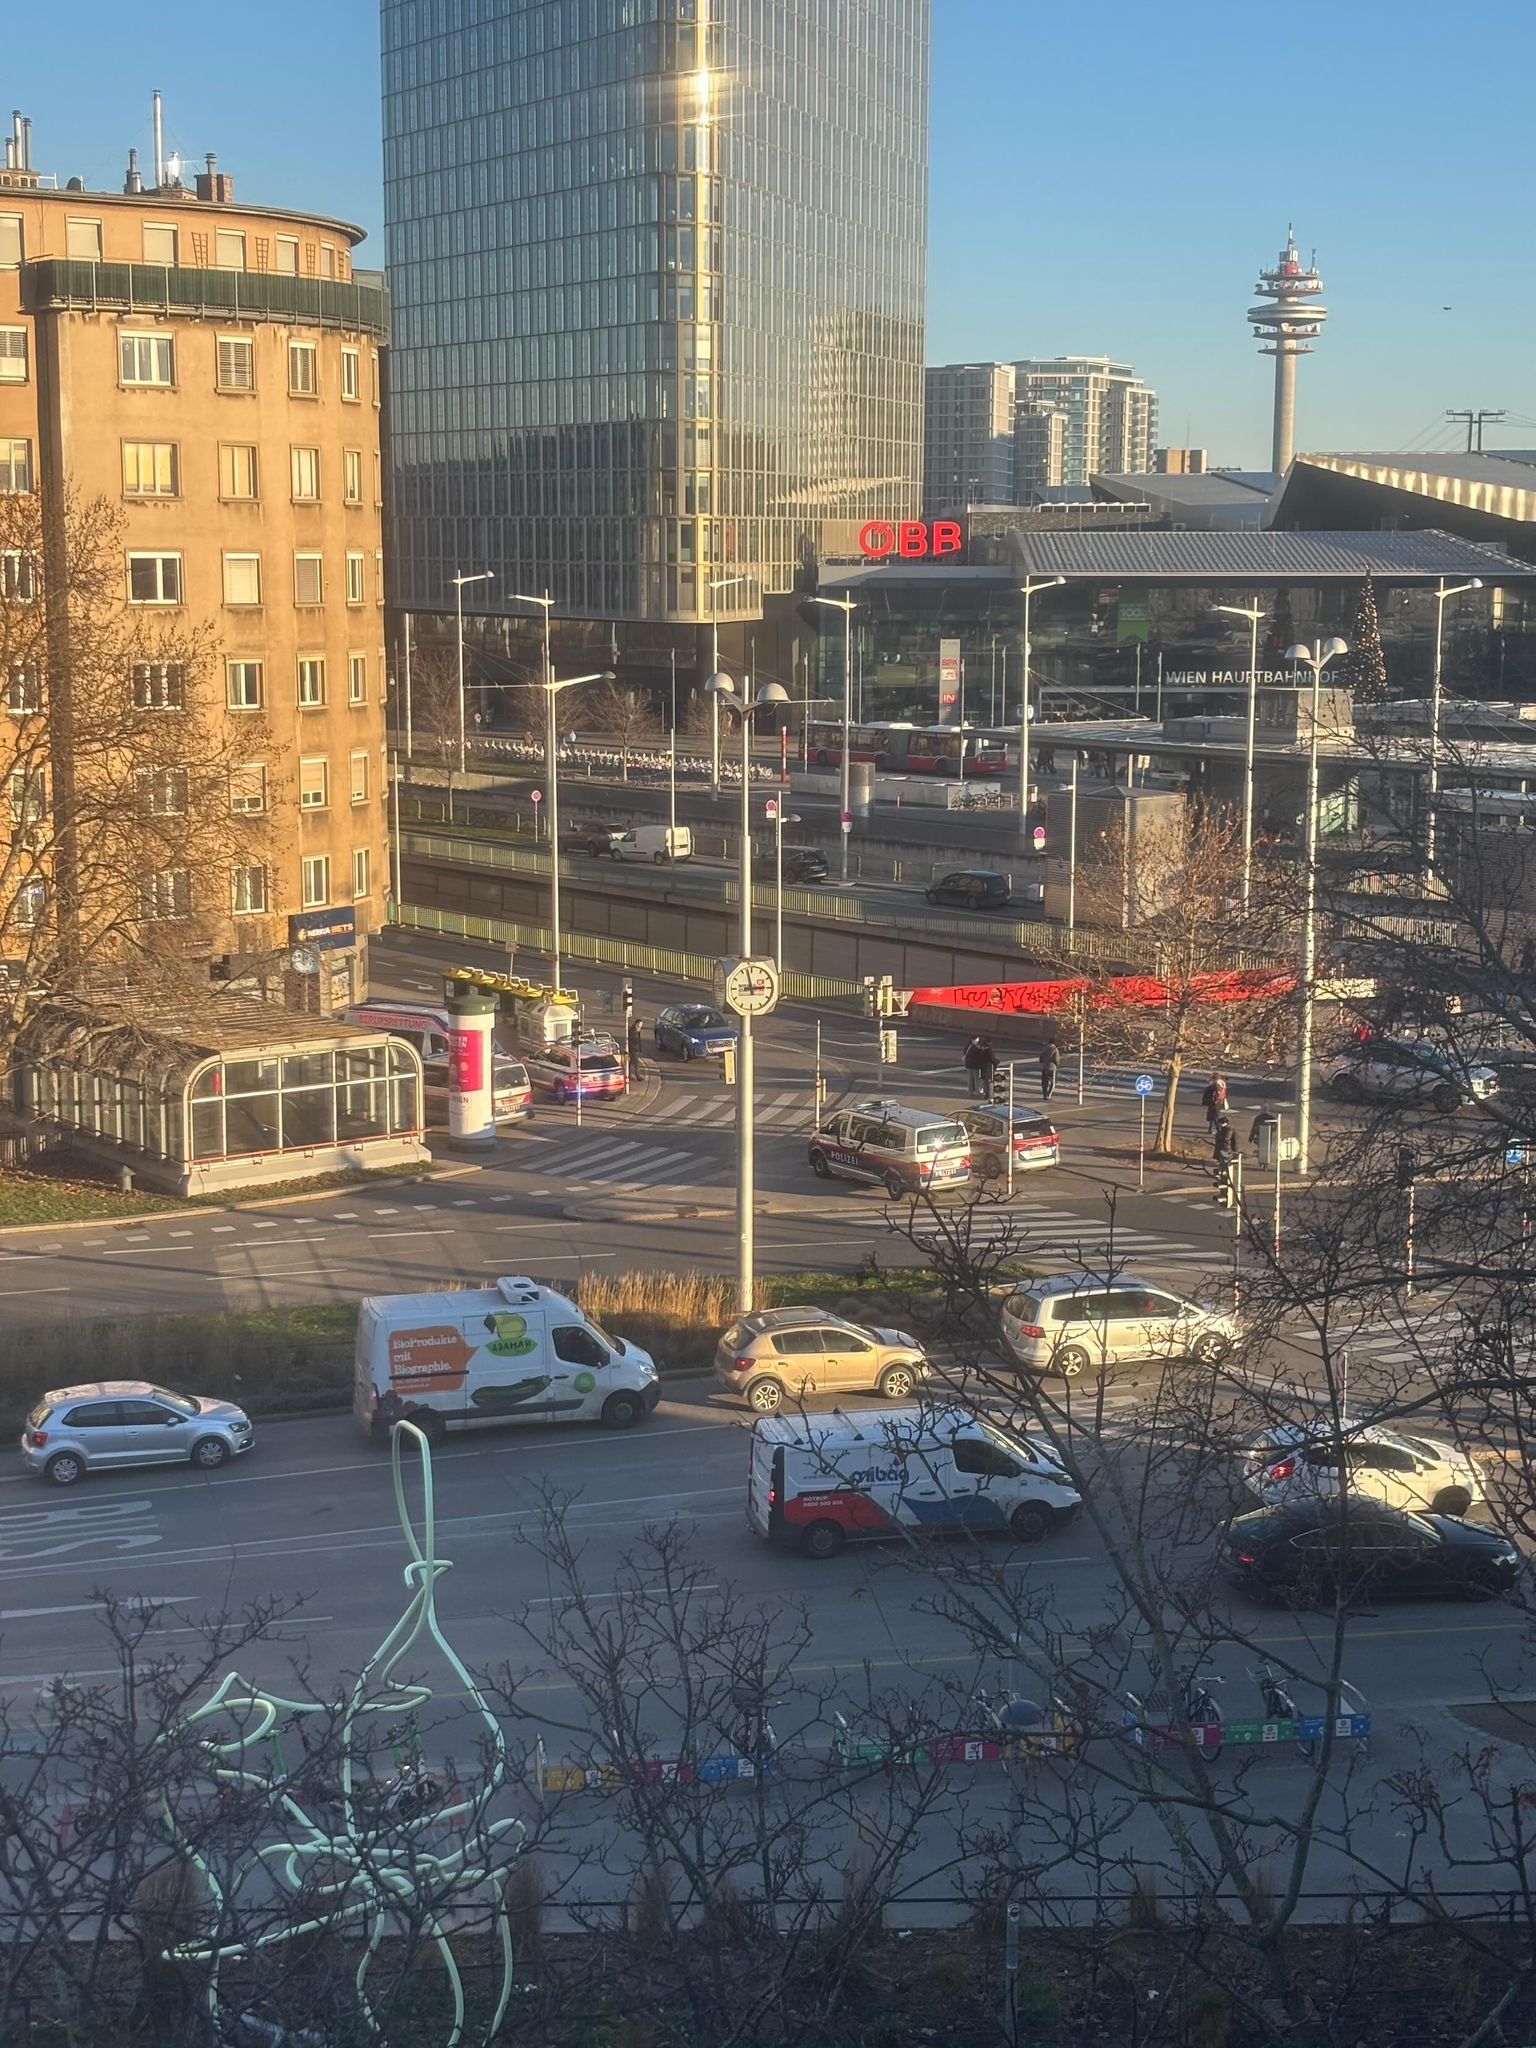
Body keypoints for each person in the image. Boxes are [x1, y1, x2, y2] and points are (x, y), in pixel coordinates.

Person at [1040, 1038, 1060, 1103]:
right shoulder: (1055, 1049)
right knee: (1052, 1082)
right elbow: (1056, 1059)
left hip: (1044, 1067)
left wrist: (1043, 1062)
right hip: (1052, 1067)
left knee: (1044, 1082)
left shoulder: (1045, 1048)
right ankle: (1049, 1094)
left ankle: (1044, 1095)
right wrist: (1057, 1064)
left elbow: (1041, 1057)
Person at [626, 1014, 643, 1083]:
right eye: (640, 1024)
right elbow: (634, 1040)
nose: (641, 1025)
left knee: (631, 1062)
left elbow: (638, 1041)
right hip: (632, 1049)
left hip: (635, 1049)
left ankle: (629, 1074)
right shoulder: (633, 1031)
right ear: (637, 1024)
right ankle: (637, 1076)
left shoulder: (637, 1030)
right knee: (636, 1063)